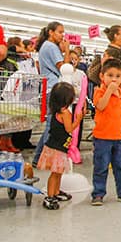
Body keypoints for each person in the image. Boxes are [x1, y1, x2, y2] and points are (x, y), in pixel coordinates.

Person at [90, 59, 121, 206]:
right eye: (110, 75)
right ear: (102, 76)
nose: (114, 79)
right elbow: (101, 106)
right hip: (102, 137)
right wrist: (109, 91)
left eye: (118, 76)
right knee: (101, 167)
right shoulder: (99, 91)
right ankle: (98, 194)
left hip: (119, 137)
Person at [33, 22, 72, 164]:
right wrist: (67, 50)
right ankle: (39, 158)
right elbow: (64, 68)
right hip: (54, 88)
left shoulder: (45, 47)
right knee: (52, 126)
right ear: (51, 32)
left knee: (51, 124)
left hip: (48, 88)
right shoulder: (51, 47)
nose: (62, 35)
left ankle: (39, 157)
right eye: (60, 32)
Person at [39, 82, 82, 210]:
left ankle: (55, 192)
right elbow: (69, 128)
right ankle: (50, 196)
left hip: (54, 147)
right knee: (55, 174)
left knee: (57, 173)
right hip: (57, 149)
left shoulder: (56, 112)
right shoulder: (65, 114)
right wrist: (78, 120)